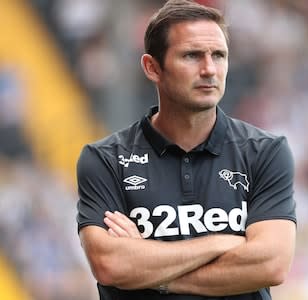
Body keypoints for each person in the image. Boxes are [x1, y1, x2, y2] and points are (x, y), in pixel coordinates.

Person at [76, 0, 296, 299]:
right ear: (152, 67)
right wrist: (223, 242)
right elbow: (110, 264)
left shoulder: (265, 151)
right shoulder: (105, 159)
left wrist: (151, 272)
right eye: (192, 55)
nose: (209, 69)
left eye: (218, 55)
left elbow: (271, 264)